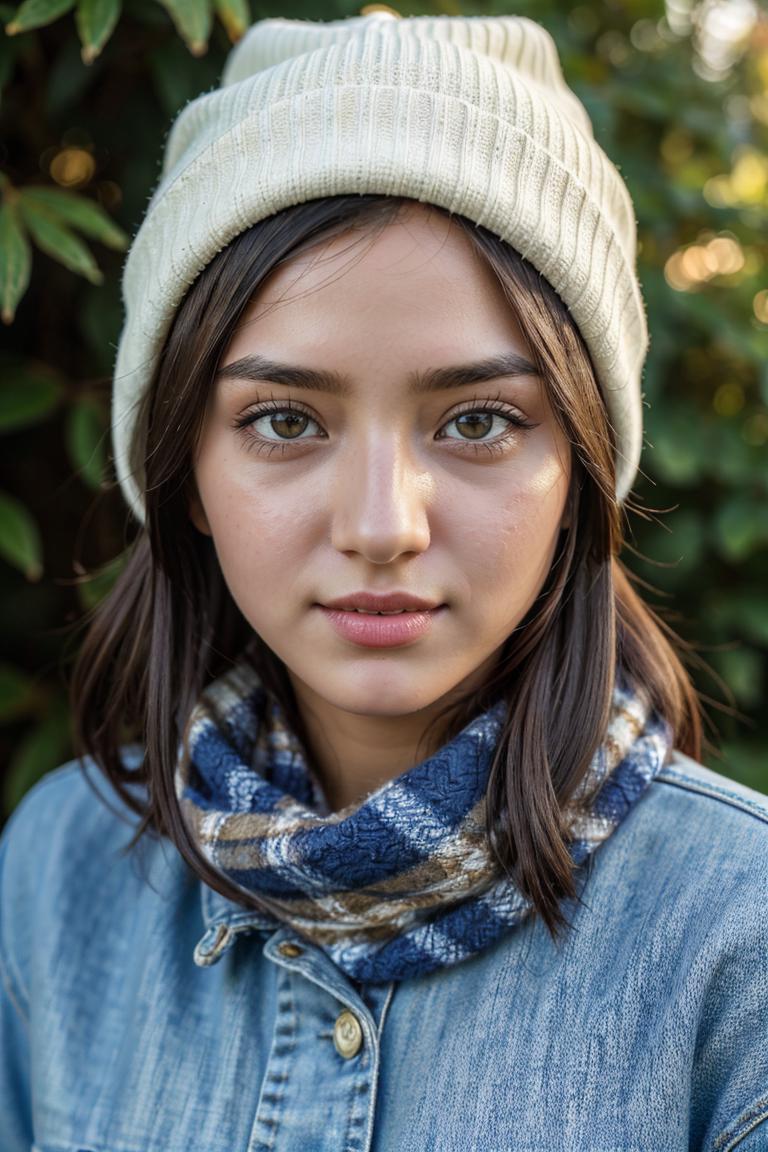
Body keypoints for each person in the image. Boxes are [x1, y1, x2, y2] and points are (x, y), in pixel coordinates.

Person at [1, 10, 766, 1150]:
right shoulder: (56, 873)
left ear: (581, 470)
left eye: (476, 420)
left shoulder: (737, 936)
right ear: (186, 476)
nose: (381, 525)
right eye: (285, 419)